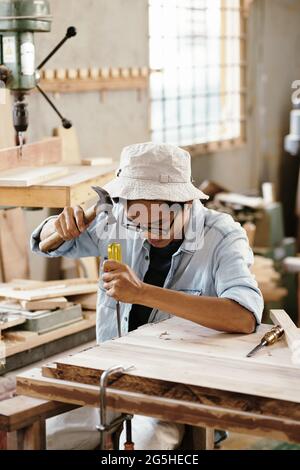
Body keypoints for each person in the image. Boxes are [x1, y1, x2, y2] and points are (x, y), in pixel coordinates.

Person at [31, 142, 263, 450]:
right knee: (48, 437)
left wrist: (142, 292)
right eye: (137, 222)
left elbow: (244, 317)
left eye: (160, 222)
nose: (148, 233)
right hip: (111, 375)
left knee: (147, 446)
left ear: (187, 203)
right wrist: (63, 224)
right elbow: (46, 246)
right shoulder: (119, 218)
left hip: (177, 389)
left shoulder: (222, 237)